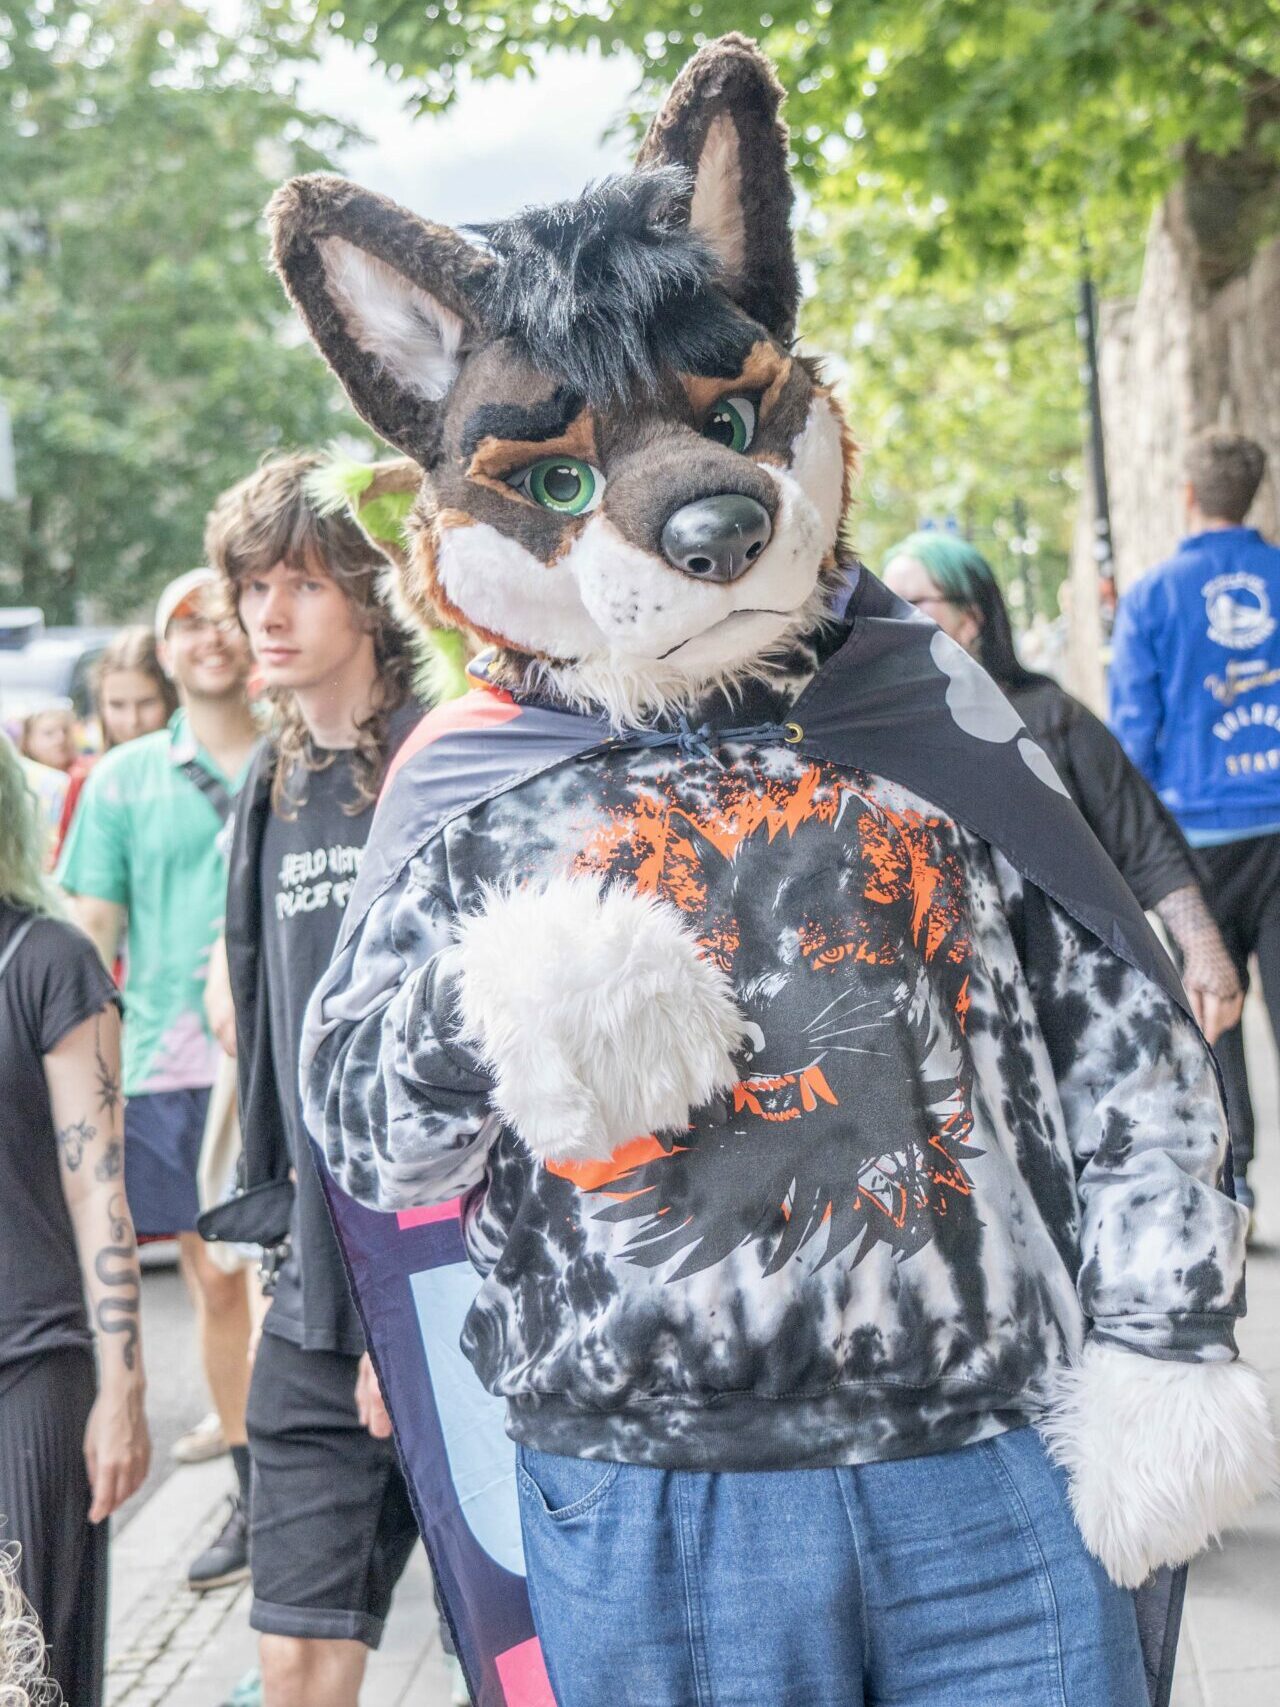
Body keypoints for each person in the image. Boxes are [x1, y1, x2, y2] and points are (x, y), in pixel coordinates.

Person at [274, 36, 1271, 1707]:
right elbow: (372, 1137)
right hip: (651, 1502)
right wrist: (504, 1005)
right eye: (571, 474)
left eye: (729, 422)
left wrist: (1166, 1339)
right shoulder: (464, 788)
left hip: (991, 1472)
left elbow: (1128, 1030)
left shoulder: (922, 702)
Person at [202, 454, 437, 1707]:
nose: (268, 615)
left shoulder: (441, 761)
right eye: (251, 587)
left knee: (515, 1656)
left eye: (298, 583)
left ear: (366, 589)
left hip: (448, 1286)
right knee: (293, 1662)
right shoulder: (275, 779)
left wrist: (404, 1302)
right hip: (310, 1279)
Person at [57, 568, 260, 1590]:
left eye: (223, 617)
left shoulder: (300, 748)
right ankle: (252, 1486)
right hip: (171, 1067)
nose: (209, 638)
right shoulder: (126, 776)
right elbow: (91, 933)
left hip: (281, 1056)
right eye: (187, 626)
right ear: (163, 651)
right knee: (218, 1278)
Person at [882, 531, 1245, 1046]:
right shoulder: (886, 746)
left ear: (970, 620)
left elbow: (1139, 836)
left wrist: (1203, 946)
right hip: (964, 1019)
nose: (892, 617)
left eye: (912, 601)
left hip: (1083, 1002)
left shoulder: (1052, 717)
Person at [0, 732, 150, 1707]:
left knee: (25, 1677)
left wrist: (124, 1387)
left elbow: (100, 1185)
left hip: (31, 1370)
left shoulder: (48, 959)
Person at [1110, 428, 1280, 1211]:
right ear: (1255, 496)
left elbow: (1133, 737)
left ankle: (1235, 1184)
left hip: (1195, 847)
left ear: (1188, 496)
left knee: (1213, 1009)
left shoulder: (1151, 596)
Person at [57, 627, 178, 854]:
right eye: (117, 705)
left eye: (147, 703)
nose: (133, 720)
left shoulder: (198, 775)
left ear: (170, 698)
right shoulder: (86, 781)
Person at [19, 704, 77, 774]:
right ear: (27, 741)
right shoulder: (21, 776)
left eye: (65, 731)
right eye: (49, 733)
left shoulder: (87, 773)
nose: (61, 738)